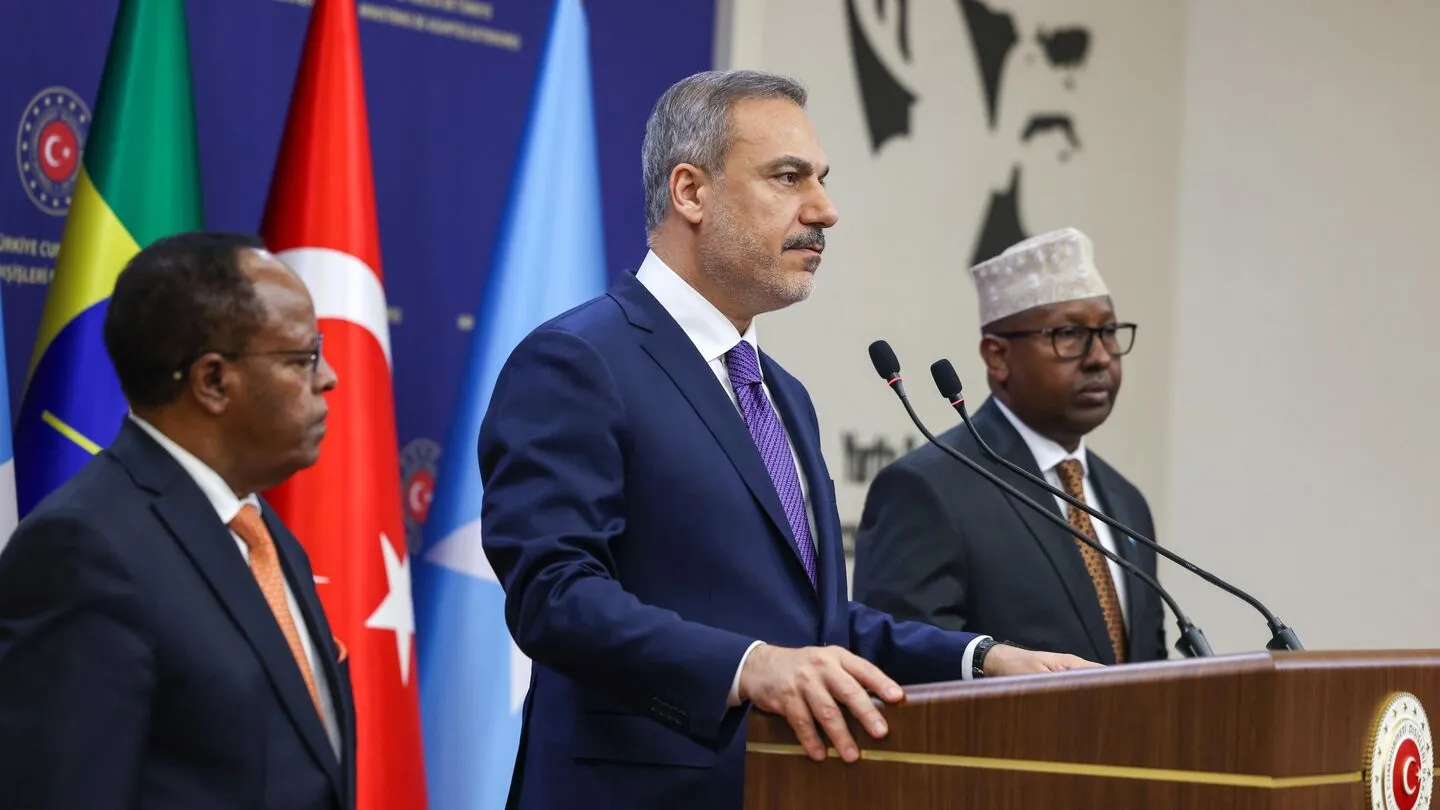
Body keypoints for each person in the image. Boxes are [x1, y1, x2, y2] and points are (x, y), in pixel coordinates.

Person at [478, 70, 1096, 810]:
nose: (825, 211)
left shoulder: (781, 392)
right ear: (691, 193)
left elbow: (811, 628)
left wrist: (981, 658)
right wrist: (747, 665)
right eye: (788, 177)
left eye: (822, 180)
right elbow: (554, 595)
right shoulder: (580, 360)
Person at [0, 232, 353, 810]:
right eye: (302, 357)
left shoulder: (264, 535)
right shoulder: (83, 550)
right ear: (213, 381)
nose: (328, 377)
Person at [853, 227, 1166, 665]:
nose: (1099, 357)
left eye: (1109, 331)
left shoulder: (1125, 502)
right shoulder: (928, 488)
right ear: (998, 356)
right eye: (1070, 334)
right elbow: (899, 662)